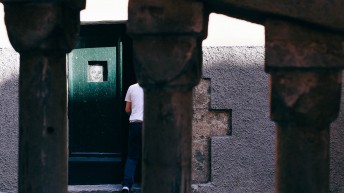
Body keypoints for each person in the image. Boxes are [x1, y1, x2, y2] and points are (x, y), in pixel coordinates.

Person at [122, 83, 144, 193]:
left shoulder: (132, 87)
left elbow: (127, 109)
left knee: (132, 156)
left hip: (135, 124)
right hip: (151, 126)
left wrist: (135, 113)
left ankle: (126, 185)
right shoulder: (156, 87)